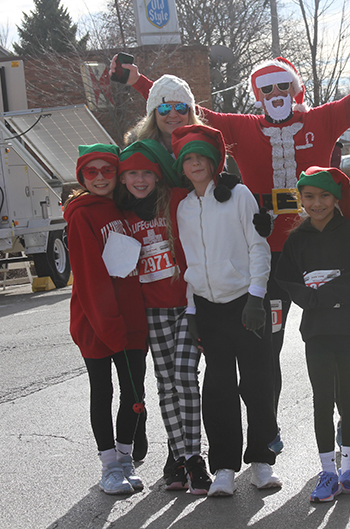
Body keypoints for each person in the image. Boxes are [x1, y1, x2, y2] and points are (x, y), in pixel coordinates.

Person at [110, 22, 350, 436]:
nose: (274, 95)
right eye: (265, 90)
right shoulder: (242, 128)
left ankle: (347, 431)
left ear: (295, 89)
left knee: (335, 341)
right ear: (257, 95)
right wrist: (140, 81)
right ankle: (268, 433)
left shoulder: (323, 119)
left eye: (282, 87)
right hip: (266, 257)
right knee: (266, 348)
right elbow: (184, 113)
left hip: (323, 249)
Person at [173, 124, 281, 496]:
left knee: (257, 382)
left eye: (201, 156)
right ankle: (223, 467)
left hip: (245, 302)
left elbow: (258, 246)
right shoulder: (185, 208)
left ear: (214, 160)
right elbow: (188, 261)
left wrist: (256, 295)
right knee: (217, 387)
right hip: (207, 307)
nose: (195, 163)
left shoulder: (238, 196)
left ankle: (262, 460)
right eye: (188, 159)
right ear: (182, 167)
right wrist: (191, 311)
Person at [274, 167, 350, 502]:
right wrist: (310, 299)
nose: (316, 203)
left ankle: (349, 469)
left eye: (324, 196)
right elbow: (286, 279)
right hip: (316, 331)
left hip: (349, 328)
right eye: (309, 197)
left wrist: (329, 293)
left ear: (335, 199)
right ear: (300, 199)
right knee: (322, 399)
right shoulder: (296, 240)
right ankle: (327, 473)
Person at [115, 139, 212, 494]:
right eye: (132, 174)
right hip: (151, 310)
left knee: (185, 378)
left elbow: (203, 181)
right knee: (166, 386)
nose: (140, 179)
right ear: (123, 178)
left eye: (147, 173)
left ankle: (194, 458)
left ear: (158, 176)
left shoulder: (173, 200)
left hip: (186, 304)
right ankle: (184, 458)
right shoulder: (121, 216)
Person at [63, 144, 148, 495]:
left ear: (117, 174)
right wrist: (110, 326)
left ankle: (126, 458)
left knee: (134, 392)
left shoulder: (124, 208)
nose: (100, 178)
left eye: (107, 171)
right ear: (82, 177)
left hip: (131, 321)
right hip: (97, 324)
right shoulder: (81, 214)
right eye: (91, 172)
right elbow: (89, 276)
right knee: (103, 391)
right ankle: (109, 465)